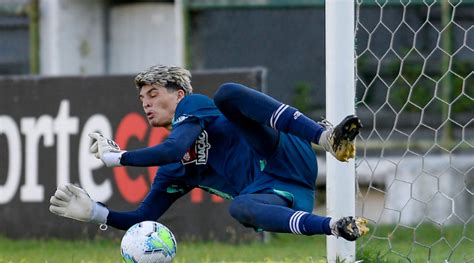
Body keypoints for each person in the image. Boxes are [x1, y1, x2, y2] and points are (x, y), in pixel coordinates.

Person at [49, 65, 368, 241]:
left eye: (153, 94)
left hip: (282, 151)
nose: (145, 103)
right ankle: (335, 227)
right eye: (142, 98)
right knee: (240, 208)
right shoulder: (173, 171)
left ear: (179, 95)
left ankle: (326, 137)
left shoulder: (193, 105)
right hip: (282, 190)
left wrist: (117, 158)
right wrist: (96, 213)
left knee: (227, 94)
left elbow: (174, 147)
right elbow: (143, 218)